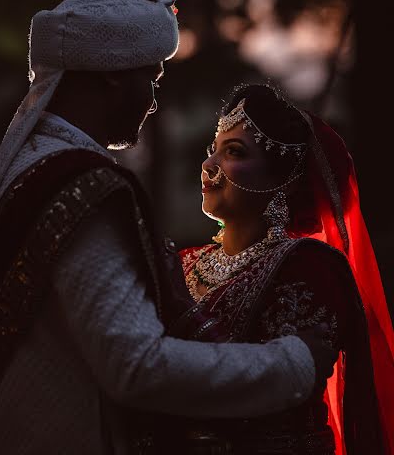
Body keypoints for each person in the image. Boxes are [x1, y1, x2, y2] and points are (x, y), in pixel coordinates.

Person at [0, 0, 337, 454]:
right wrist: (293, 364)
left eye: (236, 151)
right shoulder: (81, 186)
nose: (153, 100)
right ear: (114, 72)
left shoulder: (23, 165)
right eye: (150, 77)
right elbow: (135, 367)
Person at [158, 83, 393, 455]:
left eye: (233, 152)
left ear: (284, 178)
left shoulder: (308, 268)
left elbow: (276, 389)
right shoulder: (182, 262)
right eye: (211, 151)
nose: (208, 166)